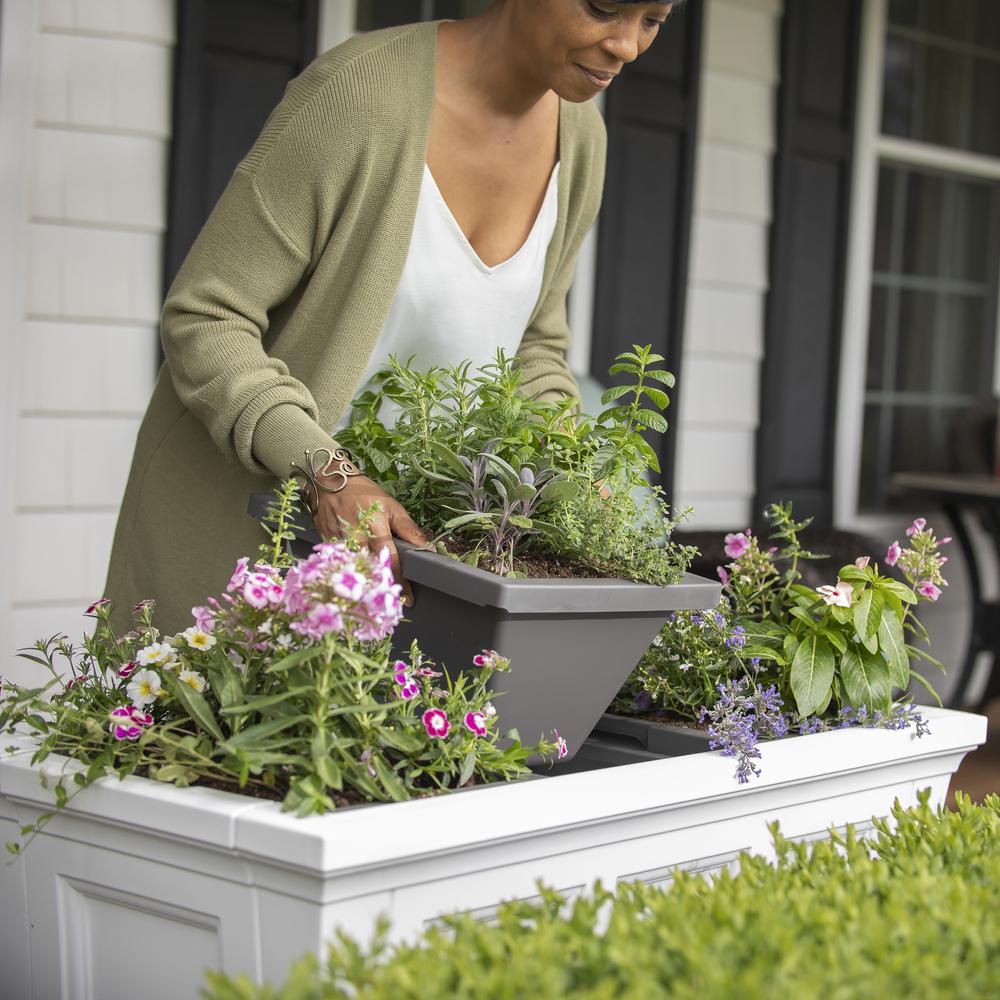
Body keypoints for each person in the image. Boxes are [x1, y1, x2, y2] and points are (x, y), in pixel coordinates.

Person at [104, 0, 678, 636]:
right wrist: (328, 473)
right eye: (604, 8)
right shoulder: (358, 98)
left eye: (653, 19)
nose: (627, 44)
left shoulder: (582, 141)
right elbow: (206, 316)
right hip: (244, 551)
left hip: (409, 569)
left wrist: (574, 472)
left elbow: (534, 345)